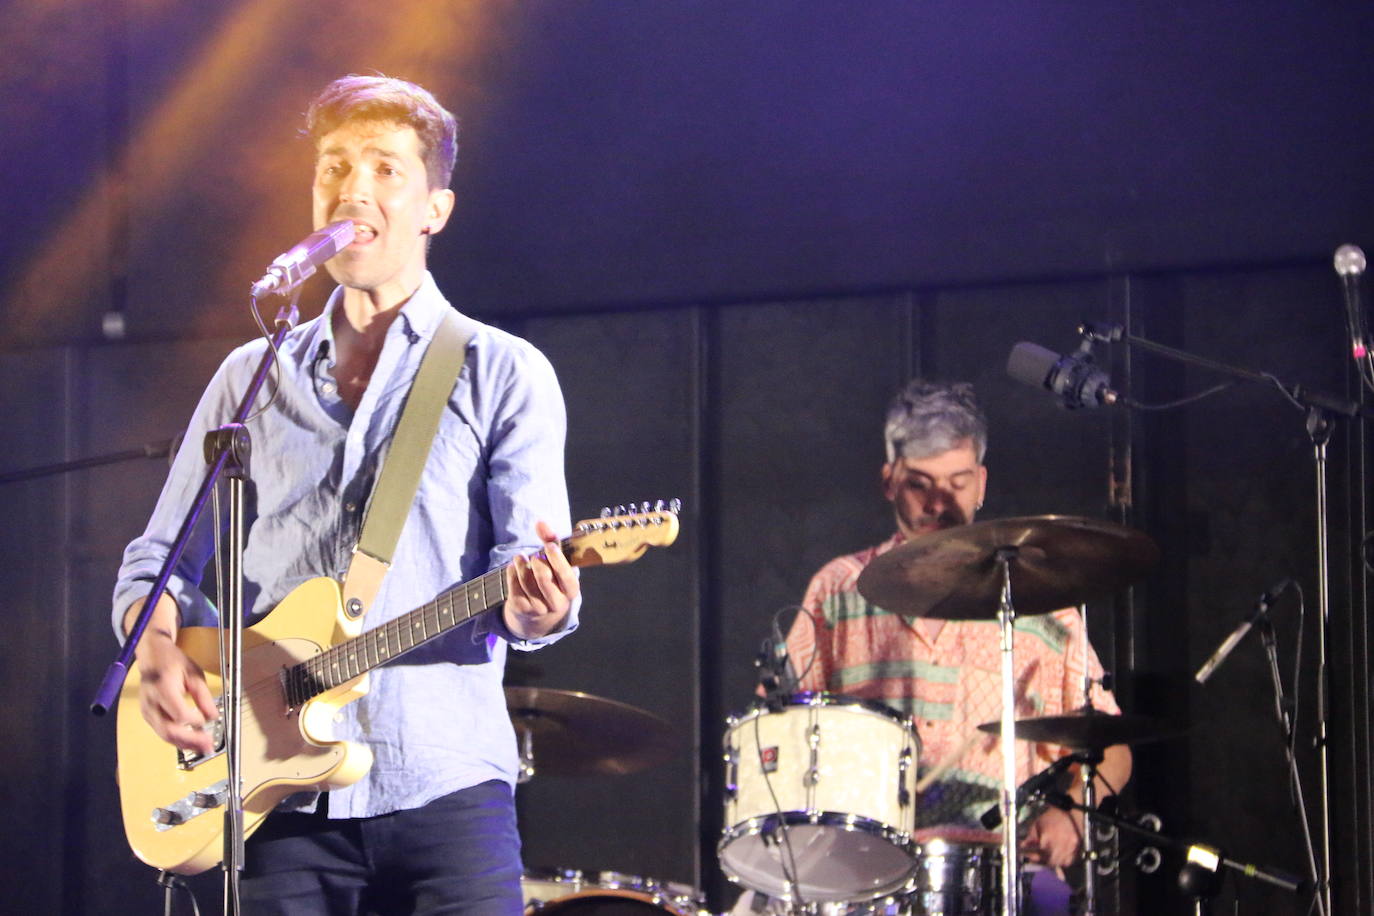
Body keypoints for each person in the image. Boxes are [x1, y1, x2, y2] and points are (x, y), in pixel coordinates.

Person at [112, 75, 580, 915]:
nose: (353, 188)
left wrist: (539, 609)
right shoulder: (252, 376)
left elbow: (525, 571)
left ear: (436, 207)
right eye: (334, 167)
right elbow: (162, 557)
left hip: (444, 788)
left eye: (384, 168)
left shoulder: (501, 371)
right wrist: (153, 651)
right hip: (269, 793)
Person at [781, 379, 1132, 914]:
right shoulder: (837, 590)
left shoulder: (1043, 606)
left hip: (1009, 866)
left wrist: (1074, 816)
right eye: (920, 484)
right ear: (888, 482)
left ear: (982, 483)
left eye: (958, 482)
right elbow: (781, 732)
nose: (939, 502)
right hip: (867, 870)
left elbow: (1112, 746)